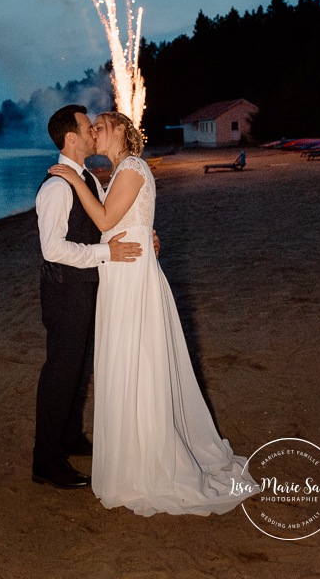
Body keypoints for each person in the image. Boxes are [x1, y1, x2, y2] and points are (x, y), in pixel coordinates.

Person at [49, 111, 258, 516]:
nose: (95, 130)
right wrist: (147, 232)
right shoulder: (121, 172)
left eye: (102, 125)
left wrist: (75, 180)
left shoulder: (130, 167)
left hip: (130, 279)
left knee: (137, 362)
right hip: (122, 272)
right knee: (129, 361)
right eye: (92, 127)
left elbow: (107, 219)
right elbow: (121, 222)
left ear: (122, 133)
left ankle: (145, 460)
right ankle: (134, 452)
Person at [32, 104, 143, 490]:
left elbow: (101, 225)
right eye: (87, 127)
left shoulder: (89, 180)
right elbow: (53, 249)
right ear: (72, 138)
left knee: (77, 367)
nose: (94, 133)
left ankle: (70, 437)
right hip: (64, 290)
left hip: (86, 286)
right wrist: (105, 254)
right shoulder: (55, 187)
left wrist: (142, 238)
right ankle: (46, 461)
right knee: (60, 371)